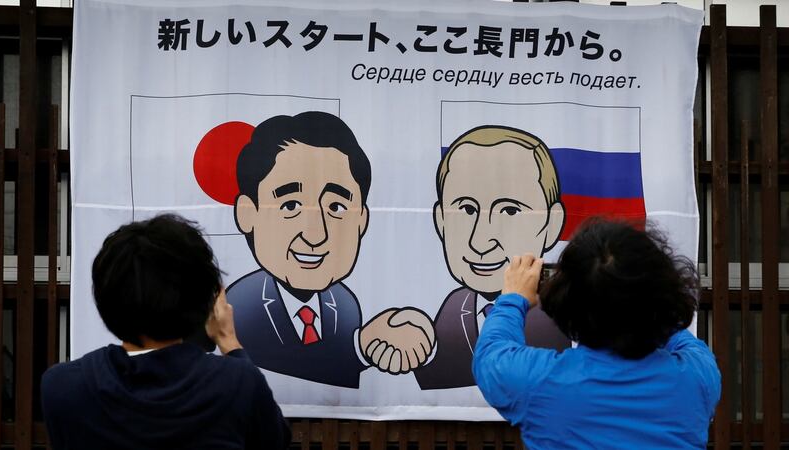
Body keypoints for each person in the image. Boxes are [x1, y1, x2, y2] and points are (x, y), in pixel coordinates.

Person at [41, 214, 290, 450]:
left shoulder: (63, 387)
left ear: (106, 296)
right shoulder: (238, 383)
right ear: (204, 301)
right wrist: (229, 342)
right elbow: (274, 440)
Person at [473, 219, 721, 449]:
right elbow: (674, 330)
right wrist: (643, 297)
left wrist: (512, 299)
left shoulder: (540, 382)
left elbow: (491, 355)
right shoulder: (699, 376)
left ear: (565, 302)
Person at [229, 111, 433, 387]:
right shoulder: (241, 306)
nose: (316, 234)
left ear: (362, 219)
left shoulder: (344, 304)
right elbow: (279, 373)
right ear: (247, 213)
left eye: (336, 207)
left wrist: (417, 334)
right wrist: (360, 347)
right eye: (291, 205)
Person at [415, 125, 570, 390]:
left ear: (551, 224)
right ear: (441, 219)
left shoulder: (565, 309)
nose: (480, 241)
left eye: (510, 211)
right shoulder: (454, 308)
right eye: (465, 209)